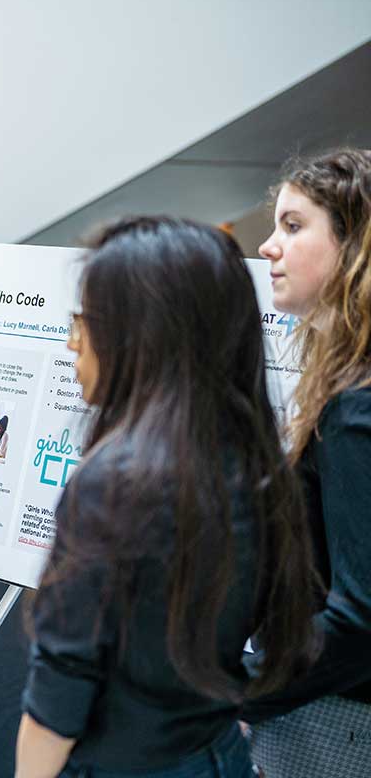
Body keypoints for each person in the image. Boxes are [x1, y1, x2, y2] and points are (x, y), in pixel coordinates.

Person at [16, 217, 317, 778]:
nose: (71, 341)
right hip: (218, 755)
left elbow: (61, 687)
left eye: (85, 321)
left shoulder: (113, 483)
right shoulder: (253, 457)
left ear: (141, 333)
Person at [243, 148, 371, 775]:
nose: (268, 247)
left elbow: (362, 616)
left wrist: (239, 689)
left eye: (294, 227)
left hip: (341, 718)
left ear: (353, 246)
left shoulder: (356, 406)